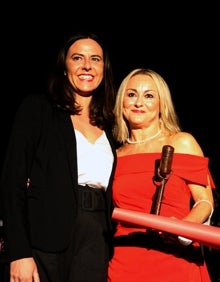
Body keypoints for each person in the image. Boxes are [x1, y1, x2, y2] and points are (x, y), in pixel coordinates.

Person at [0, 31, 117, 282]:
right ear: (64, 67)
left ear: (104, 69)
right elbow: (12, 183)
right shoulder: (38, 109)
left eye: (95, 59)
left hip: (97, 238)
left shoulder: (113, 125)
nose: (87, 65)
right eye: (78, 58)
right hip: (46, 236)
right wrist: (18, 253)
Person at [108, 68, 215, 282]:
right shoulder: (113, 156)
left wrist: (182, 230)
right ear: (121, 102)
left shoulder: (180, 142)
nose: (139, 103)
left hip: (175, 258)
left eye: (149, 96)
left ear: (161, 104)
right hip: (125, 261)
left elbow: (205, 202)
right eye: (131, 94)